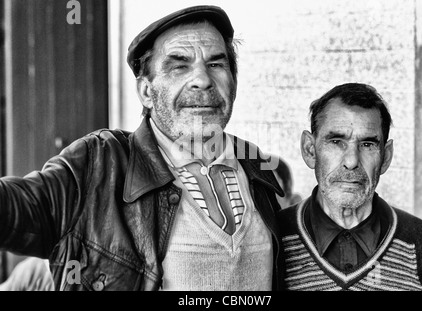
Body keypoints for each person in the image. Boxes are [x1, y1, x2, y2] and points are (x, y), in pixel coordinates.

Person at [0, 5, 285, 291]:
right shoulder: (98, 167)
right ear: (146, 92)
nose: (202, 80)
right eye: (179, 65)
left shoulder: (257, 167)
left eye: (216, 64)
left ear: (233, 82)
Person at [278, 83, 422, 291]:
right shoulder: (274, 237)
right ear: (310, 150)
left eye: (367, 145)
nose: (351, 161)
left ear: (385, 157)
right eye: (336, 141)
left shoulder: (421, 244)